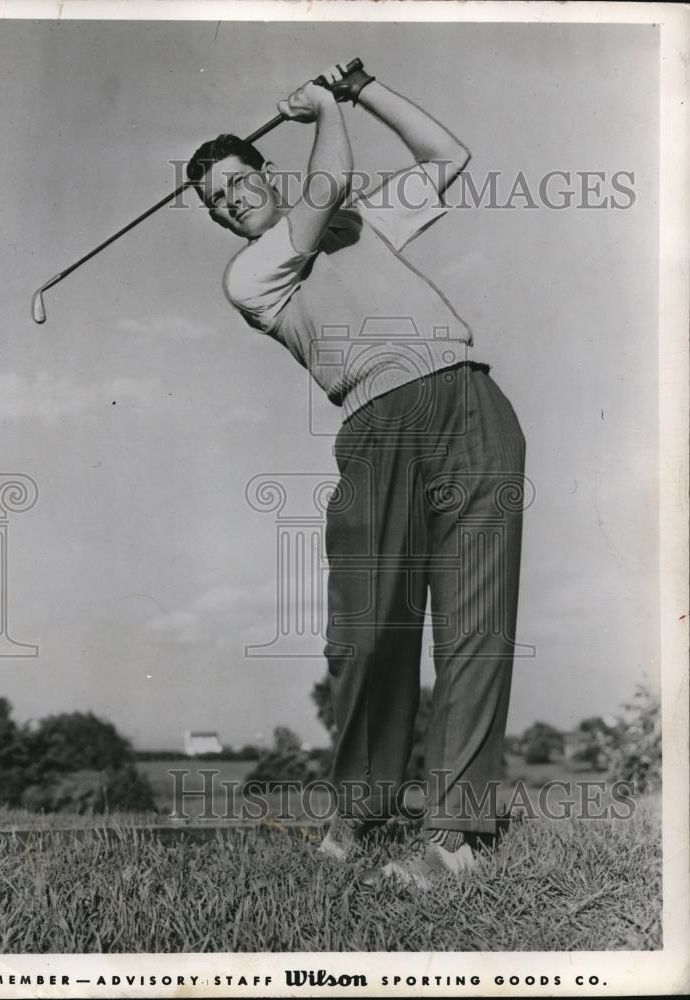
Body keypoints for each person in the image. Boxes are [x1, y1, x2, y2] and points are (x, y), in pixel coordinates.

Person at [186, 61, 526, 889]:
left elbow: (448, 157)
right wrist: (324, 110)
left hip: (472, 401)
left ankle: (455, 837)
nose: (230, 201)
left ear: (263, 172)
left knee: (476, 630)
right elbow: (328, 172)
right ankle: (359, 813)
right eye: (214, 202)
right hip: (378, 425)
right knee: (370, 633)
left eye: (236, 182)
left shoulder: (356, 222)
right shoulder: (253, 274)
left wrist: (365, 88)